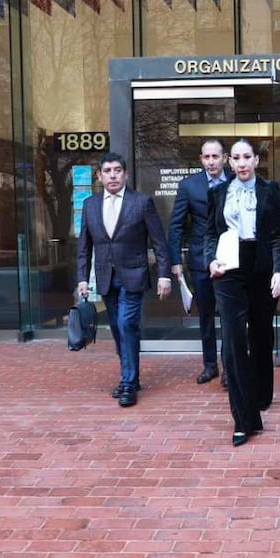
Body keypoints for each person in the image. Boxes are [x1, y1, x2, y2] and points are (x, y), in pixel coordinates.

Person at [204, 138, 280, 447]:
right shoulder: (217, 193)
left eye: (247, 157)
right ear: (229, 161)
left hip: (261, 265)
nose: (241, 163)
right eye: (236, 158)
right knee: (234, 343)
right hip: (228, 270)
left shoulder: (270, 191)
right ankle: (244, 419)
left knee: (262, 335)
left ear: (256, 160)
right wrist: (210, 260)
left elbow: (279, 236)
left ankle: (262, 394)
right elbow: (210, 234)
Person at [76, 151, 172, 407]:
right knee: (118, 329)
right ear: (99, 176)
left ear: (126, 174)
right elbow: (84, 246)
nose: (113, 175)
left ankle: (128, 383)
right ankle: (132, 375)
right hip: (106, 278)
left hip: (134, 276)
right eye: (107, 171)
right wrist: (82, 278)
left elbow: (159, 242)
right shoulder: (89, 205)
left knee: (127, 324)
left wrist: (164, 275)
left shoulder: (141, 202)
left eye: (117, 170)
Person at [169, 138, 233, 386]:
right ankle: (209, 366)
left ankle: (229, 367)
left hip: (230, 258)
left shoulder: (236, 182)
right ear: (201, 160)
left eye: (215, 156)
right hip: (200, 260)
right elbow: (176, 226)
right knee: (206, 315)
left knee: (229, 315)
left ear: (224, 158)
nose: (210, 162)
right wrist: (175, 261)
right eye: (206, 157)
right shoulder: (188, 186)